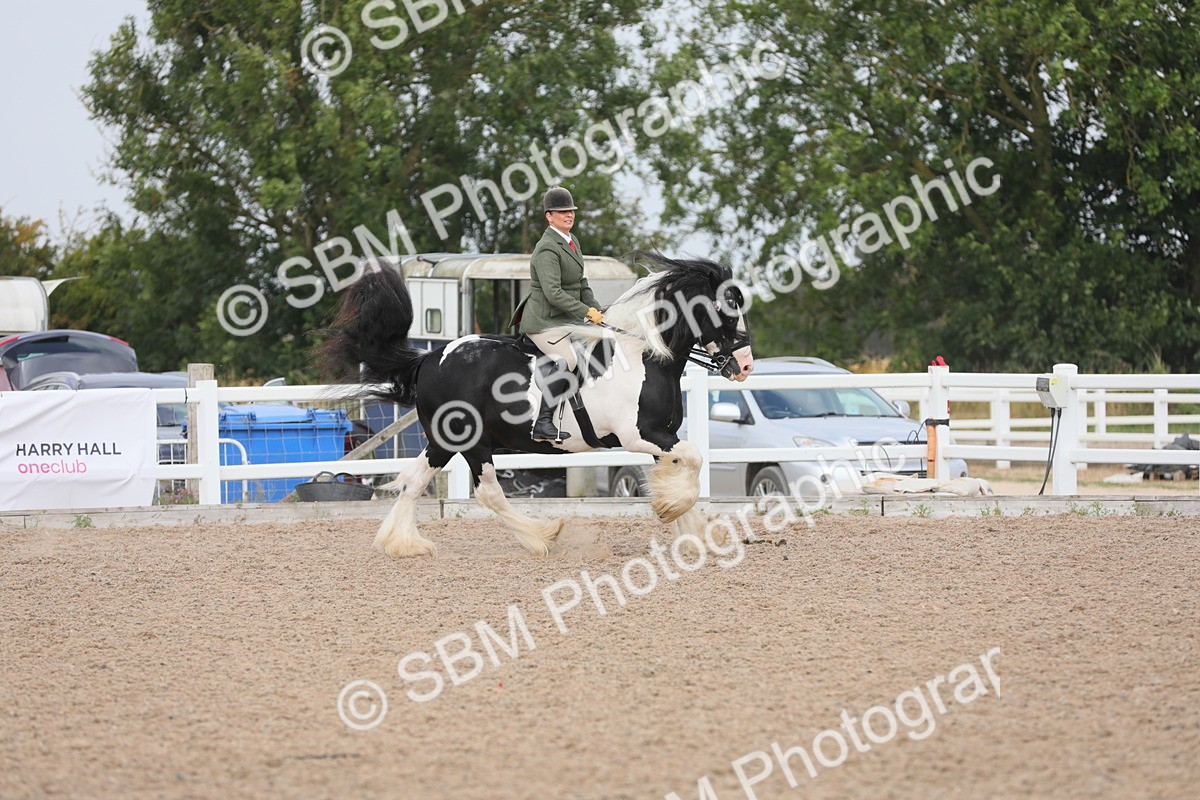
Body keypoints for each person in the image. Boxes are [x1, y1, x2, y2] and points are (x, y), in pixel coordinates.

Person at [518, 186, 604, 442]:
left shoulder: (571, 241)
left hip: (565, 318)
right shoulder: (547, 248)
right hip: (543, 321)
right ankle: (543, 422)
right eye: (563, 212)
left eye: (571, 211)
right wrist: (585, 312)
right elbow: (554, 293)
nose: (569, 215)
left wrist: (597, 309)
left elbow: (581, 282)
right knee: (567, 359)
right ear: (549, 216)